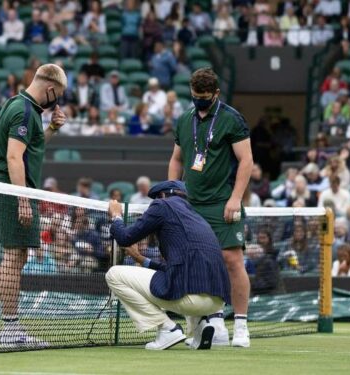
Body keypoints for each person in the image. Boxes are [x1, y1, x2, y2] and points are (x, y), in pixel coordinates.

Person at [0, 63, 67, 348]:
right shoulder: (24, 111)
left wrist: (51, 128)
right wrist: (23, 198)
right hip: (14, 190)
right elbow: (14, 158)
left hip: (8, 189)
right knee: (14, 260)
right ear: (50, 89)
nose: (57, 100)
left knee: (16, 258)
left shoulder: (20, 106)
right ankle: (11, 329)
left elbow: (30, 148)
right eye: (58, 94)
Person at [168, 67, 253, 348]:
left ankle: (240, 325)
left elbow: (246, 160)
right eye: (195, 96)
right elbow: (177, 159)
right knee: (200, 265)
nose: (199, 101)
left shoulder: (231, 119)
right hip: (191, 205)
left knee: (232, 261)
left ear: (215, 94)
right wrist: (172, 192)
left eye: (204, 97)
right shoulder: (184, 120)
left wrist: (235, 198)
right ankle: (213, 322)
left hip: (222, 202)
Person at [106, 180, 231, 350]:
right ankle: (200, 327)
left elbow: (125, 238)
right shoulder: (197, 217)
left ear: (163, 196)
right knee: (185, 277)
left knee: (113, 274)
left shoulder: (162, 205)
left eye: (154, 200)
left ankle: (167, 328)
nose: (153, 205)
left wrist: (116, 216)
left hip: (190, 300)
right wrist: (142, 259)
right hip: (217, 303)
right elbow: (181, 268)